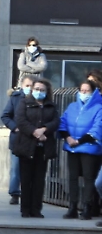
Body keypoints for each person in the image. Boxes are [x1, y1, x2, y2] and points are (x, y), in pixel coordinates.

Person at [13, 78, 60, 218]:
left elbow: (56, 121)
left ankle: (36, 209)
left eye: (42, 90)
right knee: (26, 179)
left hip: (43, 148)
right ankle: (25, 209)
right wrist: (35, 132)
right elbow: (21, 121)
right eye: (37, 89)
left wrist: (44, 130)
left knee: (39, 180)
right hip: (26, 146)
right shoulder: (24, 103)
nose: (39, 92)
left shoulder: (51, 106)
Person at [58, 80, 102, 220]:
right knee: (73, 177)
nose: (83, 93)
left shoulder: (99, 108)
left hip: (89, 147)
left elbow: (97, 128)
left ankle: (87, 207)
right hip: (72, 147)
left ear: (93, 92)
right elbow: (63, 122)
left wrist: (79, 141)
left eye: (87, 91)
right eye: (82, 90)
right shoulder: (72, 106)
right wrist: (68, 137)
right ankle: (72, 207)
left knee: (89, 178)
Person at [0, 76, 36, 205]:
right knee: (16, 168)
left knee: (32, 169)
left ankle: (29, 193)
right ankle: (14, 193)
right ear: (22, 85)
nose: (29, 88)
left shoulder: (38, 99)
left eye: (32, 86)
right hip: (18, 138)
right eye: (27, 85)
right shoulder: (15, 98)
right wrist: (15, 127)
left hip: (33, 138)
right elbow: (5, 116)